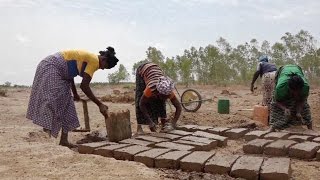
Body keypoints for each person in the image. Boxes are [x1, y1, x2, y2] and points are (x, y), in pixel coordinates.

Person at [26, 47, 119, 148]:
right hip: (51, 66)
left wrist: (74, 93)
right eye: (105, 66)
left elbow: (70, 73)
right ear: (104, 59)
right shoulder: (95, 61)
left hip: (63, 73)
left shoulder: (90, 59)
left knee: (68, 104)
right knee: (51, 100)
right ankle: (46, 137)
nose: (102, 68)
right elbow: (84, 86)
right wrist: (100, 104)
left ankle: (64, 140)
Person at [135, 62, 182, 134]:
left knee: (161, 102)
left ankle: (163, 124)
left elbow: (179, 107)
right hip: (143, 70)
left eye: (167, 97)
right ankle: (139, 127)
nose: (165, 99)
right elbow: (142, 104)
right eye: (163, 96)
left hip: (155, 68)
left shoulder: (168, 90)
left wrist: (173, 124)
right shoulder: (151, 88)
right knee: (140, 97)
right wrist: (150, 122)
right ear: (158, 92)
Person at [269, 64, 312, 132]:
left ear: (301, 89)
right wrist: (285, 108)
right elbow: (276, 101)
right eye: (294, 92)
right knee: (274, 107)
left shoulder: (305, 87)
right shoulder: (280, 87)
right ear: (289, 88)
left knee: (305, 107)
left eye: (298, 92)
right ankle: (273, 127)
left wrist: (298, 112)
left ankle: (310, 129)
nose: (296, 94)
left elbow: (302, 100)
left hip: (297, 69)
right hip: (282, 70)